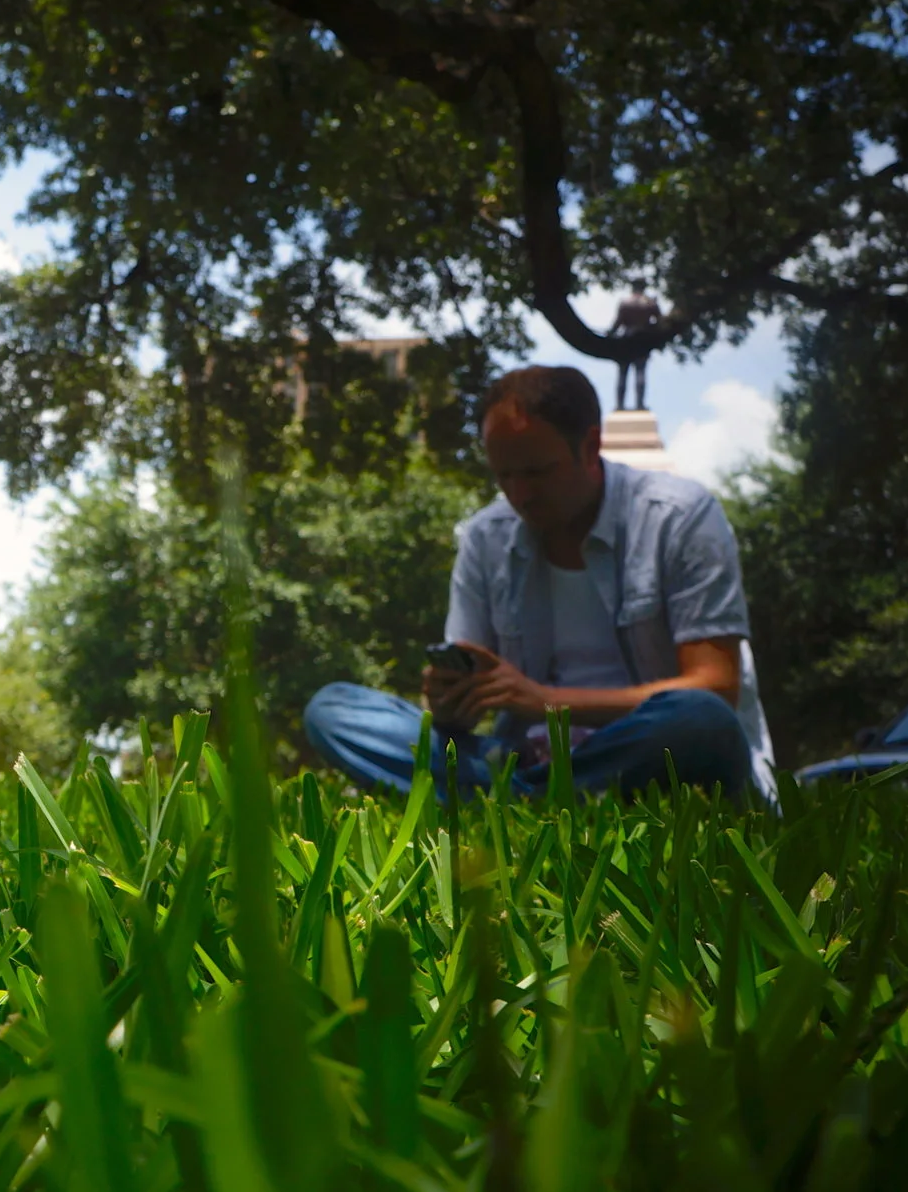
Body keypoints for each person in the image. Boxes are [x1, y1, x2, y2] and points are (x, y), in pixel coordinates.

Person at [303, 365, 775, 801]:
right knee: (333, 709)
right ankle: (534, 793)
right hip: (520, 755)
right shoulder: (485, 538)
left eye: (536, 472)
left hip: (648, 750)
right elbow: (470, 687)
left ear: (590, 447)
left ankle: (492, 797)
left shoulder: (680, 518)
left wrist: (546, 703)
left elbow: (715, 687)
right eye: (504, 474)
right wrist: (453, 700)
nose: (519, 493)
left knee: (699, 720)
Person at [608, 279, 661, 412]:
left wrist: (609, 333)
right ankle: (640, 405)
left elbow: (617, 323)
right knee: (640, 372)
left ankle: (620, 406)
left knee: (622, 374)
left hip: (626, 339)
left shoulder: (625, 303)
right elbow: (660, 322)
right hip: (643, 340)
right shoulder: (650, 303)